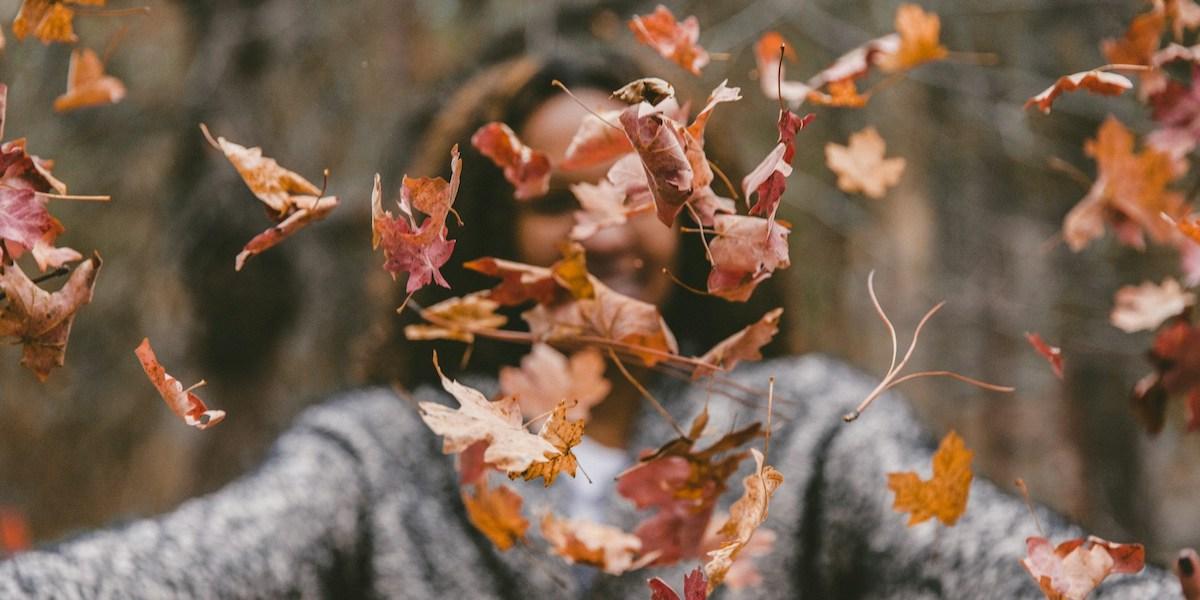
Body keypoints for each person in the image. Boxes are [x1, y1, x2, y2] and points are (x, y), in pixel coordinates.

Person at [0, 35, 1195, 600]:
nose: (600, 227)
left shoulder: (811, 437)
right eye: (552, 203)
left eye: (638, 189)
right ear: (484, 242)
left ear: (691, 220)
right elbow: (179, 571)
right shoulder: (382, 463)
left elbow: (1012, 571)